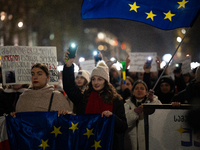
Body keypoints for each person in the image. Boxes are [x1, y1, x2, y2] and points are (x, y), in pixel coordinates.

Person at [63, 52, 128, 150]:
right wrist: (69, 65)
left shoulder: (116, 100)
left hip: (109, 144)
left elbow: (123, 127)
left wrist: (112, 117)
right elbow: (69, 88)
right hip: (86, 143)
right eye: (93, 79)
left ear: (106, 81)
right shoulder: (84, 98)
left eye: (99, 79)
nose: (96, 82)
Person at [124, 80, 162, 150]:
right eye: (136, 88)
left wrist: (152, 101)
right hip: (130, 143)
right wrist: (134, 112)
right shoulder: (126, 105)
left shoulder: (154, 101)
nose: (139, 90)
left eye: (142, 88)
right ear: (132, 92)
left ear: (146, 92)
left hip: (149, 142)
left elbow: (159, 115)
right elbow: (124, 123)